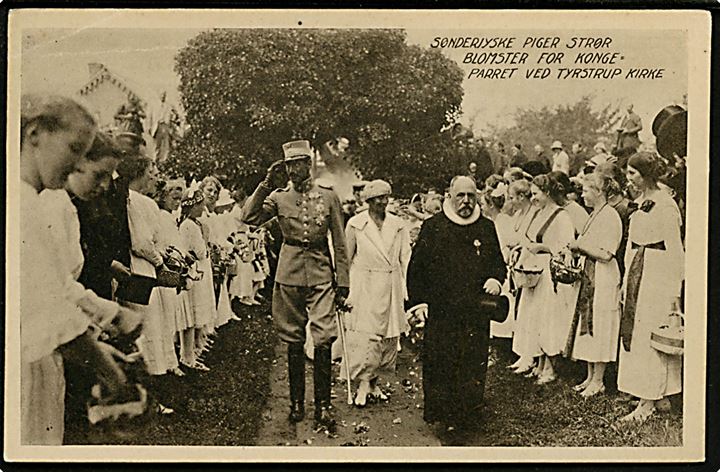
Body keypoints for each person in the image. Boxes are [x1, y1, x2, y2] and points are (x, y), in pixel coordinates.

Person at [20, 95, 136, 444]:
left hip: (39, 354)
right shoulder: (25, 205)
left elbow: (55, 288)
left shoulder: (35, 200)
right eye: (73, 148)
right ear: (35, 133)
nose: (75, 163)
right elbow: (50, 314)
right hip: (25, 359)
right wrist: (115, 379)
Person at [243, 139, 349, 430]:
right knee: (292, 338)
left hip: (320, 273)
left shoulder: (327, 197)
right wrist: (265, 183)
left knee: (324, 337)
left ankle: (324, 406)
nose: (293, 170)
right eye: (289, 165)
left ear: (309, 165)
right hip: (288, 273)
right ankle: (297, 403)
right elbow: (248, 218)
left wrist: (343, 281)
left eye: (298, 163)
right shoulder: (277, 197)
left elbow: (339, 241)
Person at [407, 176, 506, 433]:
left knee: (472, 361)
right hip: (442, 311)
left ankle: (468, 416)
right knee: (442, 361)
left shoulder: (486, 227)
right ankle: (442, 416)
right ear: (449, 196)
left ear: (477, 197)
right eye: (460, 195)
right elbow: (416, 269)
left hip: (476, 311)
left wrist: (496, 279)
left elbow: (498, 262)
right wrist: (419, 303)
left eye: (470, 196)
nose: (465, 201)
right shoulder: (434, 227)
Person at [617, 152, 684, 422]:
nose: (629, 178)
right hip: (637, 270)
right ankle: (655, 396)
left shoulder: (665, 205)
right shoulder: (639, 203)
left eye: (633, 173)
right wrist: (625, 281)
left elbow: (676, 250)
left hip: (657, 273)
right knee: (637, 332)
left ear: (646, 175)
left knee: (650, 335)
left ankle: (648, 400)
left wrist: (674, 292)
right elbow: (631, 245)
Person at [344, 180, 411, 407]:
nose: (384, 202)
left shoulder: (398, 224)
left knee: (388, 336)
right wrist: (344, 288)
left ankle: (374, 383)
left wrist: (406, 288)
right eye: (379, 198)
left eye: (386, 197)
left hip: (390, 282)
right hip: (365, 283)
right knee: (367, 335)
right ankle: (363, 383)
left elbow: (406, 257)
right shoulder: (356, 224)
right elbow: (346, 258)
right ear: (369, 201)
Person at [516, 174, 578, 384]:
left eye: (535, 194)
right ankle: (540, 362)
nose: (532, 198)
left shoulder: (562, 216)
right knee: (534, 317)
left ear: (548, 193)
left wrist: (544, 248)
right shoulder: (539, 213)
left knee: (547, 318)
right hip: (534, 271)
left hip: (550, 273)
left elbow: (567, 247)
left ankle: (550, 368)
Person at [566, 173, 623, 397]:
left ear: (599, 191)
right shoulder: (594, 215)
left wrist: (580, 246)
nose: (582, 194)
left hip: (604, 276)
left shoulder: (610, 216)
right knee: (588, 322)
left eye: (586, 190)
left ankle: (599, 379)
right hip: (591, 275)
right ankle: (590, 376)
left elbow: (607, 254)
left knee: (600, 324)